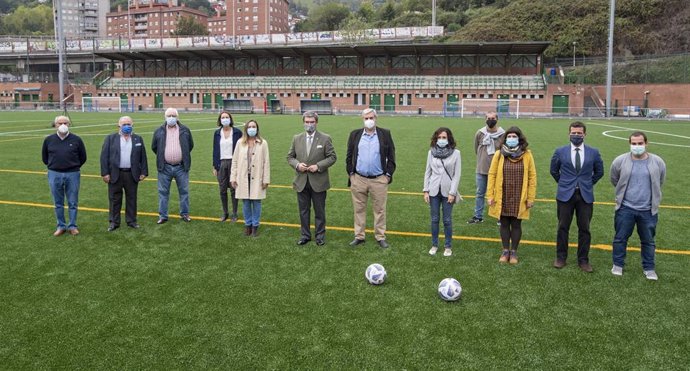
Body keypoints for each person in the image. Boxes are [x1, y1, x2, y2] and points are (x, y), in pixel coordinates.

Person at [610, 131, 666, 280]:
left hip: (648, 210)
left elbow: (660, 181)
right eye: (634, 143)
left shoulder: (658, 162)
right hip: (625, 208)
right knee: (620, 238)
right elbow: (614, 179)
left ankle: (649, 268)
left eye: (640, 143)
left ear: (646, 143)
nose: (637, 146)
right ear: (629, 144)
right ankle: (618, 264)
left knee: (648, 241)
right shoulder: (620, 161)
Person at [550, 121, 604, 272]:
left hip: (585, 196)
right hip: (565, 195)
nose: (576, 135)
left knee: (584, 229)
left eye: (579, 133)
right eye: (573, 133)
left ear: (585, 134)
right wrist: (564, 183)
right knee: (562, 227)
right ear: (569, 134)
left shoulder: (593, 152)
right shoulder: (560, 151)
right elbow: (554, 170)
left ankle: (583, 260)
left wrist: (587, 183)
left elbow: (599, 172)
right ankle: (561, 257)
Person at [345, 108, 396, 248]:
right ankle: (359, 236)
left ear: (376, 118)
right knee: (359, 209)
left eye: (371, 117)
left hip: (379, 179)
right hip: (359, 179)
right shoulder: (355, 134)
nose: (369, 120)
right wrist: (351, 174)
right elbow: (349, 156)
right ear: (362, 119)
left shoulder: (385, 134)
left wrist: (387, 176)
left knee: (380, 210)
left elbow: (391, 157)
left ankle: (380, 236)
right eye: (366, 118)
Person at [486, 127, 537, 264]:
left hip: (519, 195)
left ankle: (513, 251)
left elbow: (532, 177)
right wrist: (490, 195)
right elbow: (492, 175)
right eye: (509, 136)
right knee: (504, 223)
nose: (511, 139)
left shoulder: (527, 155)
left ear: (519, 139)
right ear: (505, 139)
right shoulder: (499, 154)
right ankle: (505, 250)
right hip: (503, 194)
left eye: (514, 136)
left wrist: (530, 197)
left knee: (516, 224)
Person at [287, 111, 337, 246]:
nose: (309, 125)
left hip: (319, 181)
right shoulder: (296, 138)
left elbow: (332, 157)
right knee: (303, 211)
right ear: (303, 122)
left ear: (316, 122)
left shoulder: (325, 138)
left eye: (312, 122)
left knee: (319, 211)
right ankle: (305, 235)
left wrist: (318, 166)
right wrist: (297, 165)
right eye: (307, 122)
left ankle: (320, 236)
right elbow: (290, 157)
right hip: (301, 181)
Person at [100, 116, 149, 231]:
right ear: (119, 126)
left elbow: (143, 157)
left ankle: (131, 221)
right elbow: (104, 157)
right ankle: (114, 222)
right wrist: (105, 173)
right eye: (124, 124)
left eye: (129, 124)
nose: (127, 126)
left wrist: (144, 172)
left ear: (132, 125)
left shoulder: (138, 139)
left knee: (132, 198)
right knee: (114, 199)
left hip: (132, 174)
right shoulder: (110, 138)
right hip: (115, 174)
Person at [42, 115, 87, 236]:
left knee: (72, 202)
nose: (62, 125)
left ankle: (72, 226)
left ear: (69, 124)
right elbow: (45, 158)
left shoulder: (77, 140)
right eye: (59, 123)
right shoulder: (49, 140)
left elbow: (83, 157)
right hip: (54, 174)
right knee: (58, 202)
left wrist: (72, 166)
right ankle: (61, 226)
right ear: (55, 125)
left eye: (65, 123)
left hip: (73, 174)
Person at [151, 107, 194, 224]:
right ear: (165, 117)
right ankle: (163, 215)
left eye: (173, 116)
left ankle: (184, 214)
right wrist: (163, 156)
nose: (171, 118)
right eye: (169, 116)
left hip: (181, 167)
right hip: (164, 167)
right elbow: (154, 147)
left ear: (177, 117)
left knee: (184, 192)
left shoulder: (185, 130)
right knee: (163, 192)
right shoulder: (159, 131)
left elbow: (190, 145)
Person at [423, 127, 461, 257]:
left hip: (447, 191)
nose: (441, 140)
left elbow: (456, 175)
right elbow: (427, 172)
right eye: (439, 137)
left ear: (449, 139)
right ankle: (434, 245)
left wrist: (452, 192)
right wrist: (426, 190)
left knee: (447, 220)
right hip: (433, 190)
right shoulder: (431, 153)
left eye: (444, 137)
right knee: (434, 219)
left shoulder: (456, 153)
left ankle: (448, 246)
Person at [231, 120, 270, 237]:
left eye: (254, 127)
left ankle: (255, 226)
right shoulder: (240, 143)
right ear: (246, 129)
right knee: (246, 202)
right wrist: (233, 177)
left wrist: (266, 179)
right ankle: (247, 225)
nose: (251, 129)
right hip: (243, 177)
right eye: (249, 127)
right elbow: (235, 160)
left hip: (257, 177)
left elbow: (266, 162)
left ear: (257, 129)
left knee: (256, 202)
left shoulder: (263, 143)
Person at [468, 111, 505, 224]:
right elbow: (476, 149)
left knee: (499, 193)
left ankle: (500, 216)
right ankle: (478, 216)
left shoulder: (502, 134)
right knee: (480, 193)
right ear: (485, 119)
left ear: (497, 119)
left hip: (498, 170)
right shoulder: (480, 133)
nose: (491, 120)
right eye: (488, 118)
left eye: (493, 118)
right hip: (481, 169)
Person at [212, 111, 243, 222]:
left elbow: (242, 149)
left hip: (234, 163)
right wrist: (214, 166)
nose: (225, 119)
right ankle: (225, 212)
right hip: (221, 163)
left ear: (230, 119)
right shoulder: (217, 133)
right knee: (222, 189)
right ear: (220, 120)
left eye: (227, 117)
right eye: (223, 117)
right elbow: (215, 150)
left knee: (234, 188)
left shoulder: (237, 132)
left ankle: (234, 213)